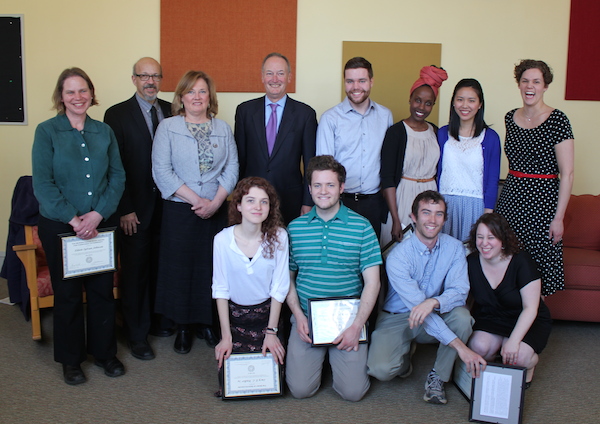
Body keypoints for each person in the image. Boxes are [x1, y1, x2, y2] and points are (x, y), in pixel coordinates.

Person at [32, 67, 126, 385]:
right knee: (68, 294)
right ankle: (71, 360)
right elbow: (43, 184)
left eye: (83, 90)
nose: (78, 97)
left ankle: (105, 354)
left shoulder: (104, 132)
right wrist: (74, 220)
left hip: (100, 225)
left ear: (91, 93)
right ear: (61, 96)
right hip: (60, 227)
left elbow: (117, 178)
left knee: (101, 291)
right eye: (70, 91)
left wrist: (97, 215)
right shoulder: (47, 132)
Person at [367, 190, 486, 405]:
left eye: (439, 214)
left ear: (444, 219)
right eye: (426, 213)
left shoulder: (455, 248)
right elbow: (417, 307)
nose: (432, 220)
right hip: (398, 316)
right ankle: (405, 358)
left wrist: (434, 301)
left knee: (462, 317)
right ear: (414, 217)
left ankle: (438, 377)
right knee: (381, 369)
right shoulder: (398, 257)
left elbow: (460, 291)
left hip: (434, 311)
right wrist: (462, 348)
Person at [152, 70, 239, 354]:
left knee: (211, 269)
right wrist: (196, 200)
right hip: (180, 211)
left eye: (202, 91)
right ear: (181, 97)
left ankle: (207, 322)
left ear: (210, 97)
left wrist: (215, 202)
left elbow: (232, 169)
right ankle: (184, 326)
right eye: (191, 92)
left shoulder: (223, 128)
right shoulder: (167, 127)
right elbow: (162, 171)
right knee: (180, 269)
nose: (197, 97)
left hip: (216, 210)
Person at [286, 155, 382, 402]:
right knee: (300, 390)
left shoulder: (362, 227)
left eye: (330, 185)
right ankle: (321, 358)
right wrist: (297, 316)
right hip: (306, 320)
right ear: (309, 189)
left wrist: (357, 325)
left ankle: (333, 358)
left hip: (348, 320)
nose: (323, 191)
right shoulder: (295, 228)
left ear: (342, 188)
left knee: (353, 392)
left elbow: (373, 283)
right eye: (317, 185)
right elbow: (286, 279)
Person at [104, 57, 173, 361]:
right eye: (144, 76)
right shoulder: (116, 115)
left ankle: (158, 320)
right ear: (133, 79)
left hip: (169, 207)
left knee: (162, 267)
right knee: (135, 273)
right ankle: (136, 334)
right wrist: (125, 208)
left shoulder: (173, 110)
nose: (150, 82)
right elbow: (113, 166)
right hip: (135, 209)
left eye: (155, 76)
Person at [496, 59, 574, 297]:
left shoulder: (558, 120)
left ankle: (532, 328)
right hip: (512, 200)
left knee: (537, 267)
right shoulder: (510, 118)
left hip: (543, 203)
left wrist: (558, 218)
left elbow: (567, 174)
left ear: (545, 86)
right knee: (506, 260)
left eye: (536, 81)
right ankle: (505, 324)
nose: (530, 86)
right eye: (525, 80)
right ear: (519, 84)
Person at [212, 177, 290, 396]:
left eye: (264, 202)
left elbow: (280, 287)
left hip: (268, 318)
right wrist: (226, 336)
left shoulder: (280, 237)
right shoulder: (221, 240)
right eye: (251, 200)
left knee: (276, 383)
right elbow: (220, 289)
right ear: (238, 205)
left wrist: (272, 332)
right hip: (235, 319)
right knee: (228, 385)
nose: (257, 207)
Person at [466, 213, 551, 388]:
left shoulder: (522, 261)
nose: (484, 243)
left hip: (526, 318)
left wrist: (513, 341)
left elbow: (530, 308)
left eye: (491, 237)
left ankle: (528, 366)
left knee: (518, 357)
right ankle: (498, 355)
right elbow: (465, 300)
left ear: (503, 240)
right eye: (480, 237)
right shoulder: (471, 262)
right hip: (492, 316)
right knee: (479, 347)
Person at [235, 52, 317, 225]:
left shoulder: (305, 114)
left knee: (287, 248)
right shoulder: (245, 111)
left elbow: (310, 162)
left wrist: (308, 202)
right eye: (269, 73)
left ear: (289, 77)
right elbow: (239, 160)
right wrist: (238, 198)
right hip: (251, 200)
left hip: (290, 200)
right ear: (262, 77)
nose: (275, 78)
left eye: (280, 73)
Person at [316, 57, 393, 238]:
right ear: (344, 82)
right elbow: (323, 167)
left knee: (370, 258)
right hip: (340, 202)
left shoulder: (385, 115)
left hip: (374, 202)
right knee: (341, 259)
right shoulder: (330, 118)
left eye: (362, 81)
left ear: (371, 82)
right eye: (350, 81)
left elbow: (389, 161)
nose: (355, 87)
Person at [380, 65, 447, 247]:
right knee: (398, 251)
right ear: (410, 99)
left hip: (430, 197)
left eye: (428, 103)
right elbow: (387, 179)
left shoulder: (435, 131)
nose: (422, 107)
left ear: (433, 105)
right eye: (417, 100)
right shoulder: (396, 132)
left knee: (427, 251)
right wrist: (395, 218)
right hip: (402, 199)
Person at [437, 78, 501, 242]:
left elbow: (492, 181)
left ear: (480, 104)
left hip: (475, 207)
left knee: (470, 257)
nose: (465, 105)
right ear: (453, 103)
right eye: (460, 99)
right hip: (444, 205)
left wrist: (487, 214)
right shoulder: (443, 134)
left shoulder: (490, 137)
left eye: (471, 100)